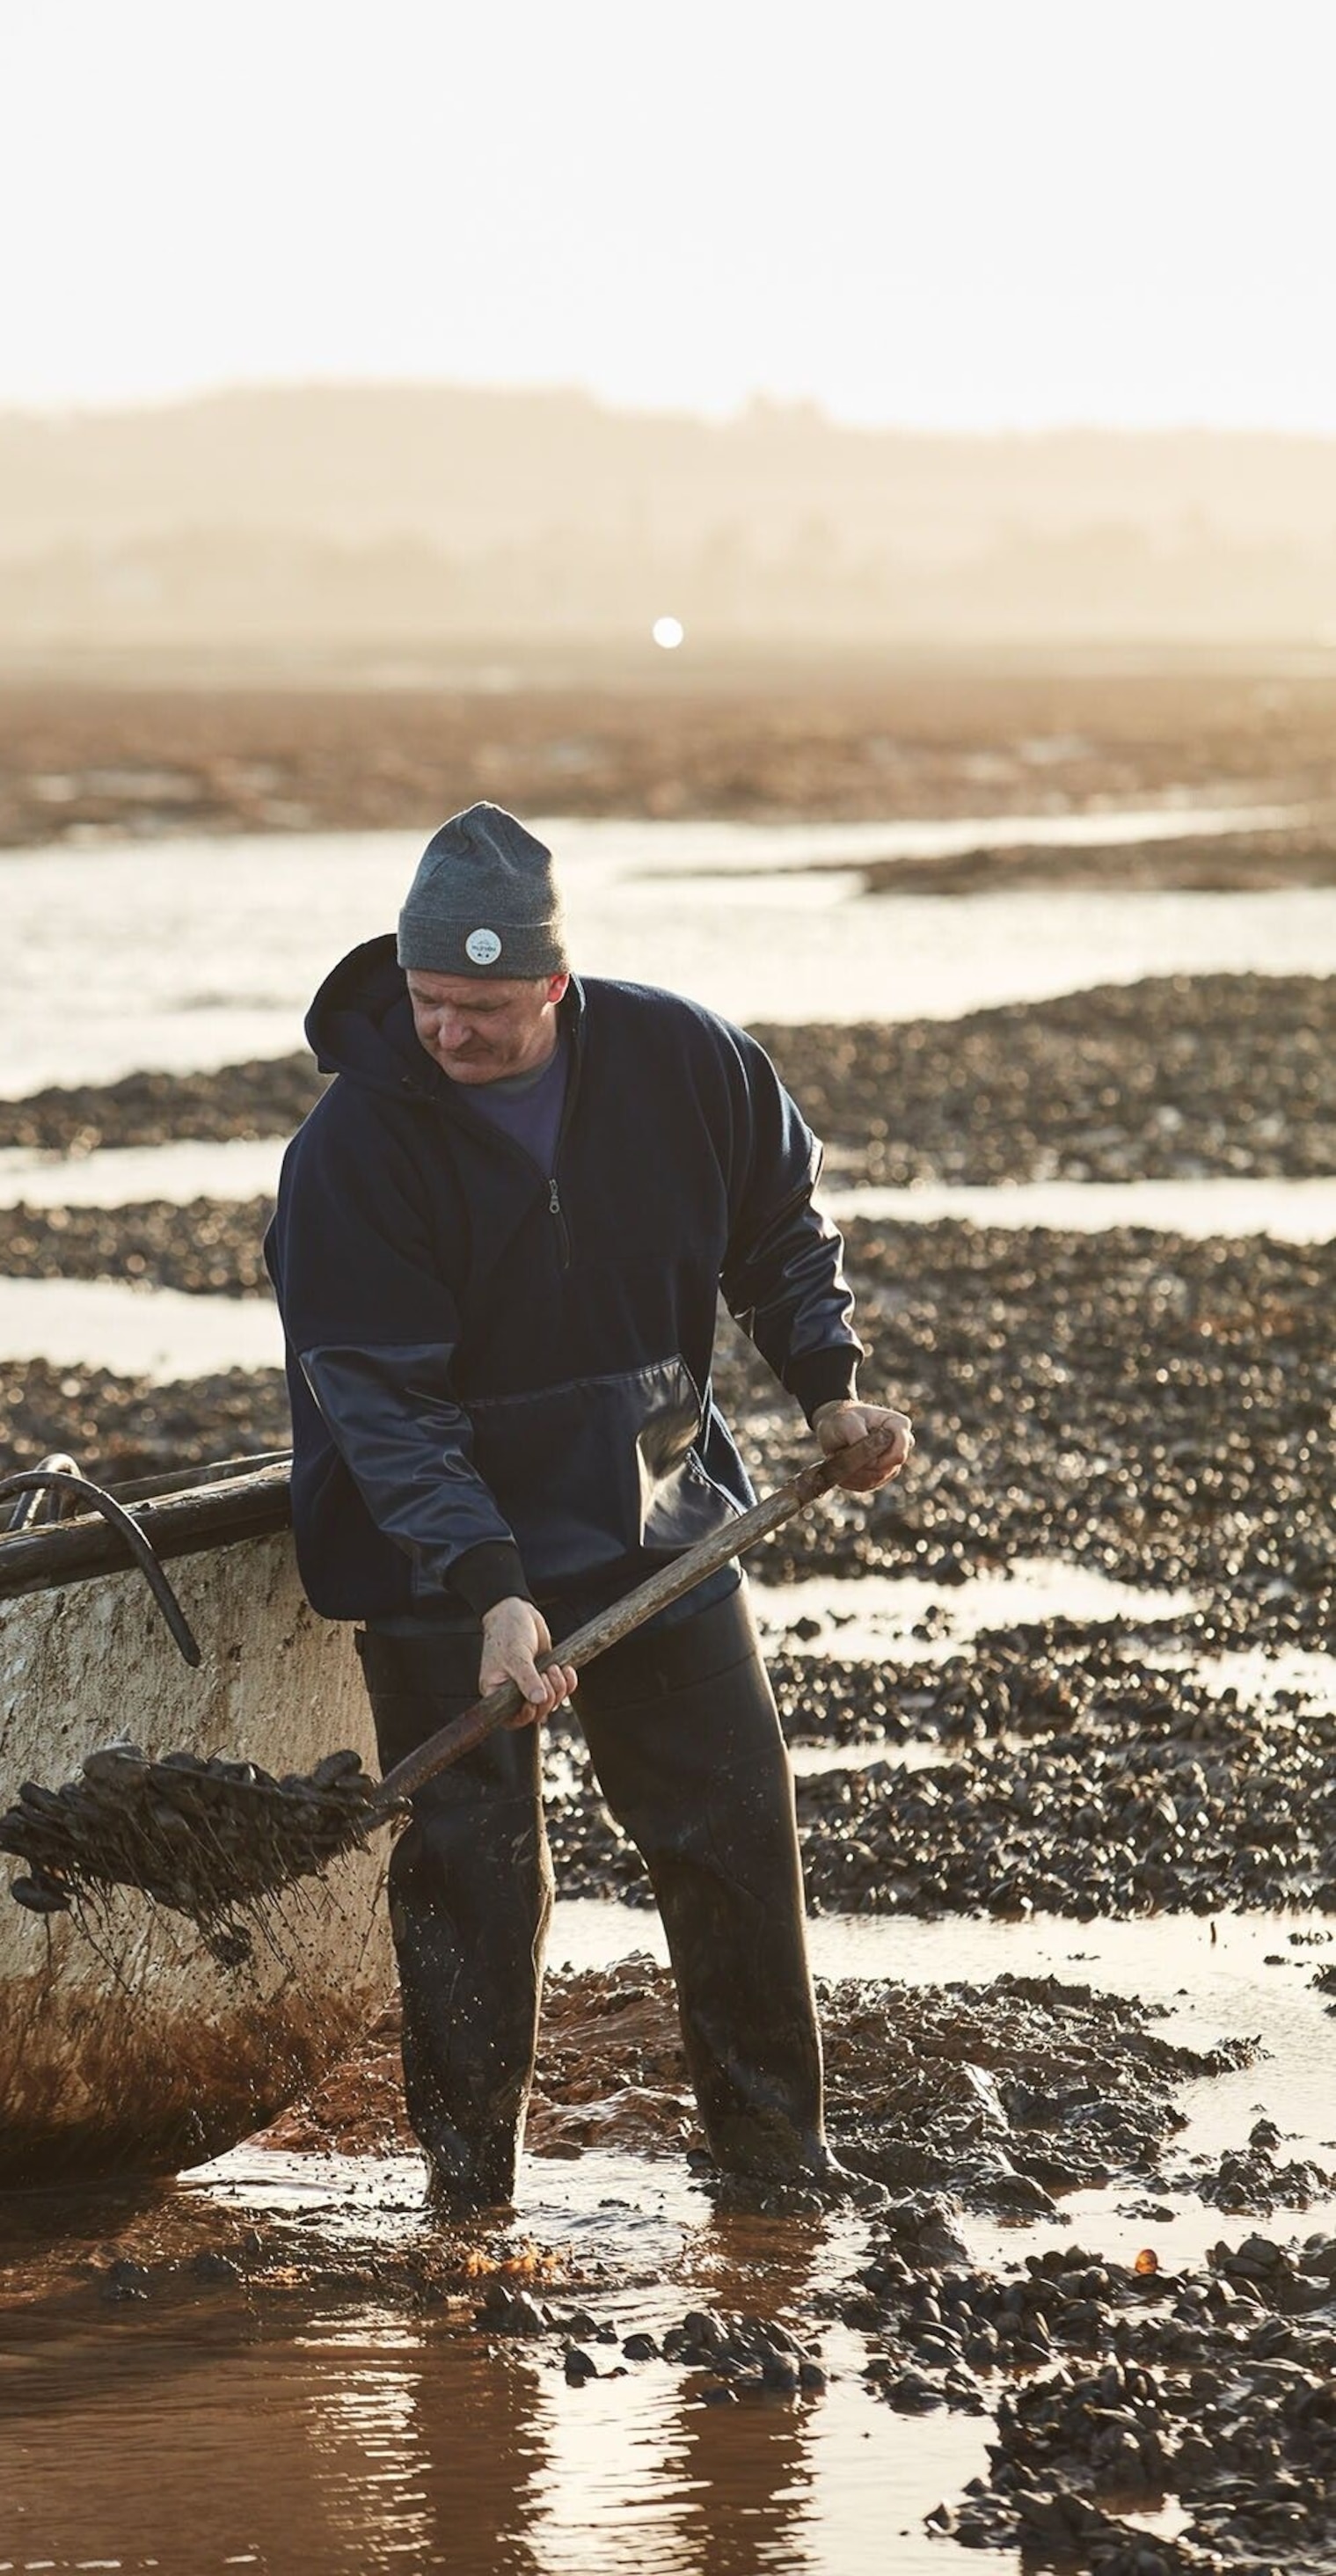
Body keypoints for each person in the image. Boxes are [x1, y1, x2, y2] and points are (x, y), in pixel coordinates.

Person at [263, 803, 912, 2212]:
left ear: (555, 982)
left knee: (735, 1825)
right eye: (432, 1000)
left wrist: (828, 1390)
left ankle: (772, 2170)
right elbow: (381, 1405)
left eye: (487, 1008)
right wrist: (492, 1587)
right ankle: (466, 2196)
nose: (451, 1033)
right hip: (437, 1558)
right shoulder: (351, 1153)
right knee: (475, 1876)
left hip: (652, 1521)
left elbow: (781, 1229)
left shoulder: (686, 1061)